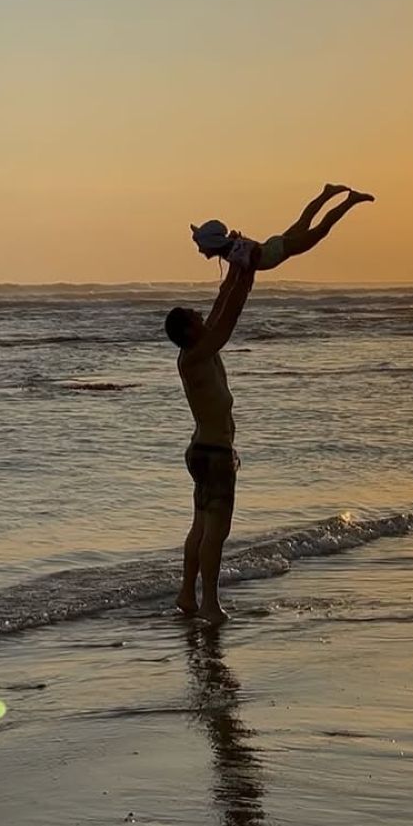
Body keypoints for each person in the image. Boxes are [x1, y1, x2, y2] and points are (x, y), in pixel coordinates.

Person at [165, 253, 256, 624]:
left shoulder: (202, 349)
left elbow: (222, 305)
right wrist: (247, 273)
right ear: (189, 331)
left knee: (201, 525)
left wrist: (236, 266)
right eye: (195, 316)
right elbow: (229, 318)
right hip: (213, 455)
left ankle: (188, 595)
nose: (203, 316)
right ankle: (209, 603)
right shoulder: (195, 355)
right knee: (215, 531)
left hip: (208, 451)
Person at [191, 183, 374, 272]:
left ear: (212, 243)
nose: (199, 250)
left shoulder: (233, 251)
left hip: (279, 250)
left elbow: (251, 257)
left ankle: (350, 200)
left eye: (200, 245)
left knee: (321, 229)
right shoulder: (231, 249)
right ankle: (326, 193)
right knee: (304, 222)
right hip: (275, 247)